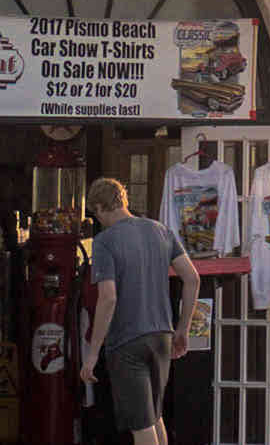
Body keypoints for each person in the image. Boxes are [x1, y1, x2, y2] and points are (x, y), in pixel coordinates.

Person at [79, 177, 202, 445]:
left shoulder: (104, 241)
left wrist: (92, 354)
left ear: (99, 208)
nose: (98, 220)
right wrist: (182, 329)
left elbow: (108, 298)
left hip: (126, 341)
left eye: (96, 213)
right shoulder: (161, 230)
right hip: (162, 336)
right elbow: (192, 278)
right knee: (155, 417)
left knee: (141, 424)